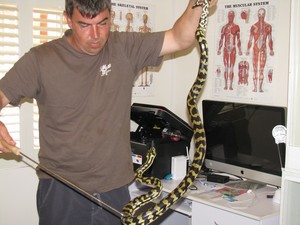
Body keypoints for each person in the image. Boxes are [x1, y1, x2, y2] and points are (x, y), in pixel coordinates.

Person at [0, 0, 217, 225]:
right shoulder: (41, 60)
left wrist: (198, 3)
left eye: (102, 23)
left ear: (110, 16)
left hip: (115, 190)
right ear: (67, 20)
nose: (95, 35)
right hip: (61, 190)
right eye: (84, 25)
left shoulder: (125, 47)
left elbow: (180, 38)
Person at [246, 8, 274, 92]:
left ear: (264, 15)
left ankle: (260, 88)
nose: (261, 16)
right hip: (255, 49)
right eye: (259, 14)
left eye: (262, 14)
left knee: (261, 69)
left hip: (263, 50)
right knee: (255, 69)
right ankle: (255, 87)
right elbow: (250, 39)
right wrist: (247, 49)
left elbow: (270, 39)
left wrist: (271, 49)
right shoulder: (254, 26)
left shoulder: (268, 26)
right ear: (257, 15)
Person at [217, 10, 242, 90]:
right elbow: (221, 39)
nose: (231, 17)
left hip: (233, 49)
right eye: (230, 15)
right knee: (226, 67)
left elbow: (238, 39)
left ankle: (230, 85)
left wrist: (240, 49)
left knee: (231, 67)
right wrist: (219, 49)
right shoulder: (224, 27)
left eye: (232, 15)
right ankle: (225, 85)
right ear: (228, 16)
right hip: (225, 49)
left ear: (234, 16)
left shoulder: (236, 27)